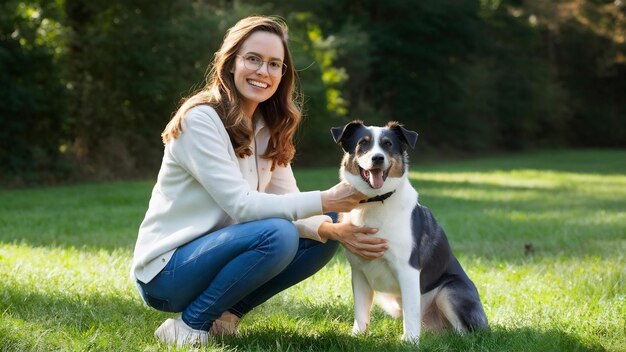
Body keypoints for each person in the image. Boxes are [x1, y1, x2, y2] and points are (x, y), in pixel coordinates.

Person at [130, 15, 388, 347]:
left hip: (223, 251)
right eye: (253, 59)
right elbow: (243, 205)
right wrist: (325, 199)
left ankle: (224, 317)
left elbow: (291, 201)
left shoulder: (267, 125)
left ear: (283, 75)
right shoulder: (201, 119)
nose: (263, 72)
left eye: (274, 64)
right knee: (279, 233)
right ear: (230, 62)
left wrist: (329, 227)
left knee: (330, 224)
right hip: (167, 273)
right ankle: (189, 324)